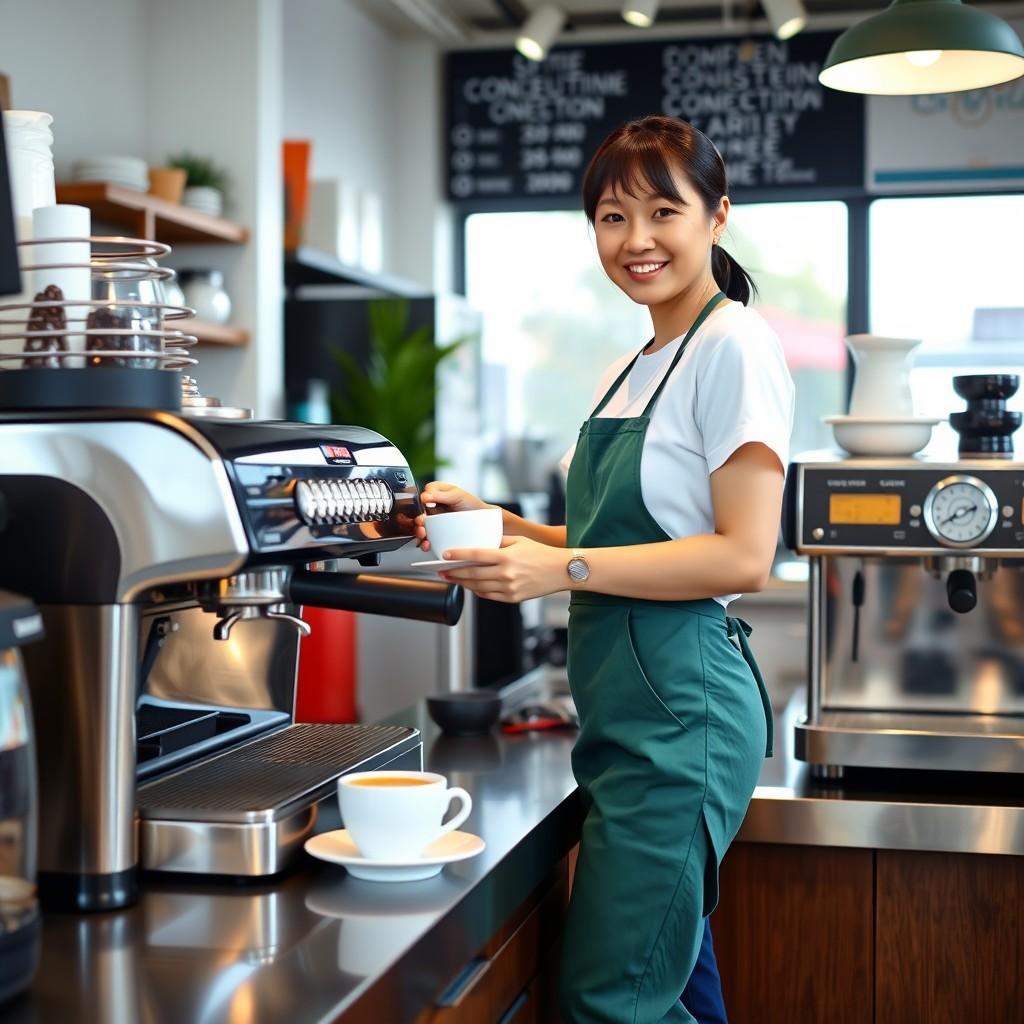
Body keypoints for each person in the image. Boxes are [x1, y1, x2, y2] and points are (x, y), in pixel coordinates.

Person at [414, 115, 795, 1024]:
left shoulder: (734, 345)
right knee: (672, 978)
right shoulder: (633, 365)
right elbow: (615, 530)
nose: (636, 240)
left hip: (682, 714)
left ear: (718, 217)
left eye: (664, 211)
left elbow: (743, 553)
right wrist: (496, 521)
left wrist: (558, 573)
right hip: (628, 716)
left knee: (608, 1000)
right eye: (612, 218)